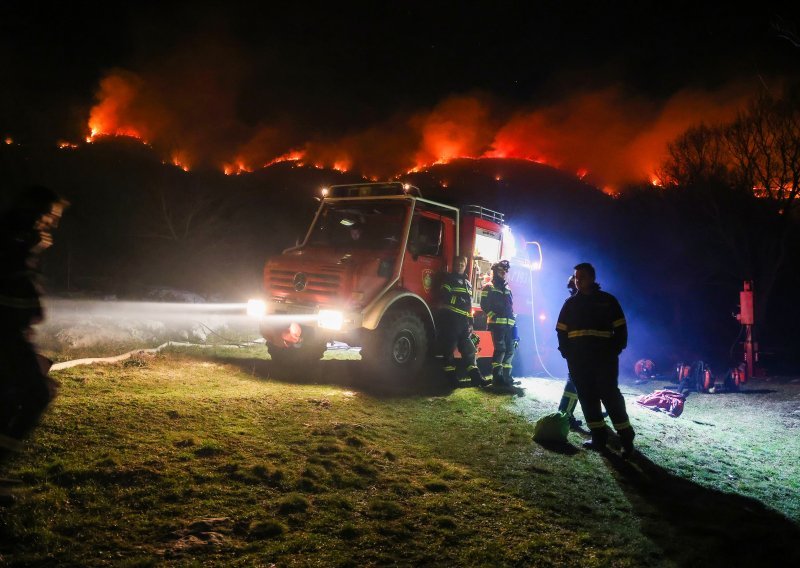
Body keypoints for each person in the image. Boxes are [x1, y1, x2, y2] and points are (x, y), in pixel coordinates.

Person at [0, 185, 68, 462]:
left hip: (13, 330)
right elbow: (12, 279)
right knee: (36, 393)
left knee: (13, 395)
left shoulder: (21, 238)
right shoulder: (13, 238)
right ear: (35, 211)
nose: (54, 222)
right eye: (51, 214)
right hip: (5, 332)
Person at [556, 263, 635, 457]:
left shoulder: (608, 301)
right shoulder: (570, 303)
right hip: (579, 361)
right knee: (587, 397)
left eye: (581, 276)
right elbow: (561, 330)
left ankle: (626, 438)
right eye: (575, 277)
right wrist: (567, 353)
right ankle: (598, 437)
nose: (577, 280)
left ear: (592, 278)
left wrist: (615, 349)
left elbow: (621, 329)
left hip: (604, 360)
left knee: (610, 396)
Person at [438, 255, 490, 387]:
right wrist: (457, 300)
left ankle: (476, 378)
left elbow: (469, 305)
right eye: (458, 263)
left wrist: (471, 322)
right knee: (448, 350)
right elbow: (444, 295)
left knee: (469, 351)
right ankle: (451, 380)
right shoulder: (449, 279)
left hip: (464, 322)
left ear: (466, 265)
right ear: (454, 265)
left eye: (463, 264)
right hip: (451, 320)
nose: (460, 265)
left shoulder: (467, 283)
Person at [480, 259, 518, 390]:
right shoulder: (488, 286)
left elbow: (511, 307)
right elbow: (484, 305)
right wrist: (493, 316)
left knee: (510, 351)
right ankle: (497, 378)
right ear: (495, 271)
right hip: (497, 325)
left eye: (505, 271)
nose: (503, 273)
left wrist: (514, 324)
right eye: (501, 271)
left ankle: (507, 378)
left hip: (508, 325)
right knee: (500, 350)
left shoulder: (507, 288)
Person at [557, 275, 582, 429]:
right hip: (577, 349)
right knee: (574, 381)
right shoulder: (573, 303)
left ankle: (566, 413)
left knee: (577, 381)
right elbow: (561, 328)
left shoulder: (576, 302)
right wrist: (565, 348)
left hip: (579, 348)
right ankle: (565, 414)